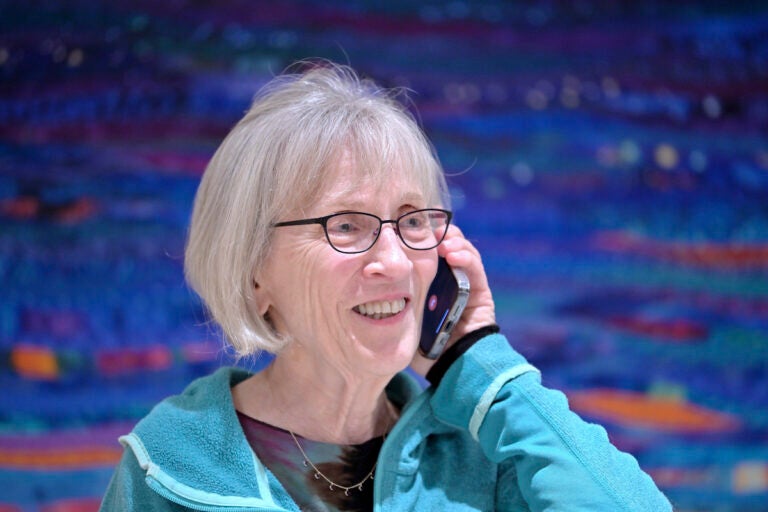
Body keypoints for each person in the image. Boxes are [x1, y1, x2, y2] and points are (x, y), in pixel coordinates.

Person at [100, 61, 672, 511]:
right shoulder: (170, 466)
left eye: (414, 220)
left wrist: (482, 367)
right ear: (254, 269)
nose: (396, 261)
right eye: (347, 225)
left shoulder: (483, 451)